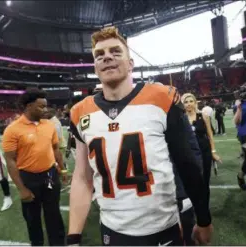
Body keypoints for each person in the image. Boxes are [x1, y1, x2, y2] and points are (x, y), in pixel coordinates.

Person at [67, 26, 213, 246]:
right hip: (112, 229)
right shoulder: (80, 112)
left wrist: (203, 218)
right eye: (100, 55)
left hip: (163, 227)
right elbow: (82, 177)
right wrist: (73, 237)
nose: (107, 57)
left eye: (116, 52)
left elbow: (187, 163)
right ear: (95, 67)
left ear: (131, 63)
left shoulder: (160, 97)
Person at [2, 88, 67, 246]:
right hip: (29, 178)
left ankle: (57, 243)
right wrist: (21, 189)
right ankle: (36, 243)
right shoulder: (12, 129)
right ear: (28, 106)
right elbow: (10, 160)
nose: (45, 110)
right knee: (32, 217)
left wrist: (63, 169)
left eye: (45, 106)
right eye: (41, 106)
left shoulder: (49, 125)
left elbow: (55, 149)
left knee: (53, 213)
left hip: (50, 175)